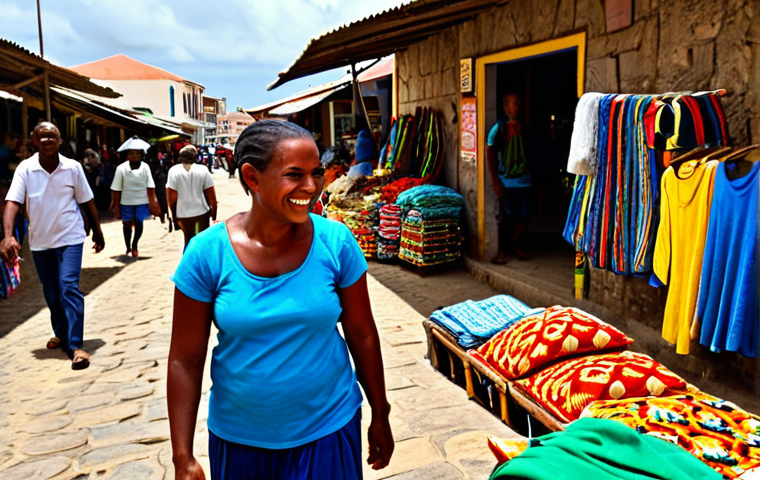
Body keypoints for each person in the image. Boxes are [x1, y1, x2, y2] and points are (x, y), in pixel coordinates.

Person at [168, 120, 393, 480]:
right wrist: (183, 456)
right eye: (294, 175)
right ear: (252, 179)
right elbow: (185, 359)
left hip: (329, 432)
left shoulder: (336, 242)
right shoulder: (207, 253)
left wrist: (380, 412)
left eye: (316, 173)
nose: (311, 187)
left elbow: (362, 333)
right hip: (240, 442)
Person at [0, 122, 105, 370]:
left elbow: (87, 201)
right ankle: (61, 332)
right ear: (34, 141)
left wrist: (98, 232)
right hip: (40, 242)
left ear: (60, 142)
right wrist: (7, 236)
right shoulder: (26, 169)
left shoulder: (73, 168)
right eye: (42, 136)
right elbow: (12, 202)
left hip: (71, 237)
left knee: (69, 286)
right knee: (51, 291)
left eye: (52, 136)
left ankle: (76, 345)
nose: (47, 140)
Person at [486, 92, 532, 264]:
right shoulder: (499, 128)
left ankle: (515, 244)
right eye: (507, 104)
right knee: (505, 218)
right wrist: (495, 180)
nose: (510, 108)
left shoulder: (525, 127)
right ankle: (502, 249)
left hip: (525, 179)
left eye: (514, 104)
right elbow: (490, 152)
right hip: (506, 181)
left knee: (524, 215)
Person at [110, 142, 160, 258]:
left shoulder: (145, 168)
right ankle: (127, 246)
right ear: (128, 156)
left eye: (138, 154)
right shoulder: (121, 169)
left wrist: (153, 203)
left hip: (141, 201)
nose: (135, 156)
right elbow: (116, 189)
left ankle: (135, 244)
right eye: (132, 154)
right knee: (126, 225)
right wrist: (116, 206)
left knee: (139, 223)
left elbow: (150, 186)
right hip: (126, 202)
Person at [167, 145, 217, 247]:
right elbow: (211, 195)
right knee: (201, 243)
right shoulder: (203, 170)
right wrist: (214, 213)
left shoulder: (174, 171)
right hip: (201, 215)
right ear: (195, 157)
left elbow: (171, 198)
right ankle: (200, 262)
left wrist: (174, 215)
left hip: (183, 216)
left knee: (188, 241)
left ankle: (188, 262)